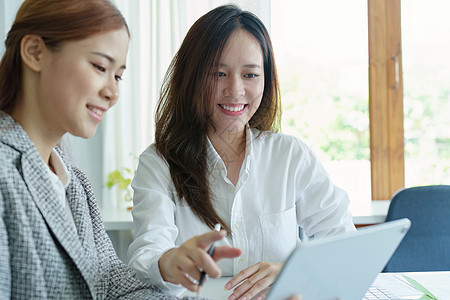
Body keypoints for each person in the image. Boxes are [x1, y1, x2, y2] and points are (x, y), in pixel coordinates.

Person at [0, 0, 242, 299]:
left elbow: (112, 284)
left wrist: (170, 265)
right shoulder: (4, 173)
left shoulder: (75, 184)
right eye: (100, 67)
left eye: (118, 76)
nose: (112, 92)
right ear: (34, 52)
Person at [128, 4, 356, 300]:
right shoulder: (159, 164)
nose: (235, 90)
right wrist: (171, 263)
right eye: (218, 73)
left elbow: (344, 243)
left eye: (250, 75)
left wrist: (291, 271)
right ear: (192, 78)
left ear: (266, 80)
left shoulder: (290, 156)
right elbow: (146, 257)